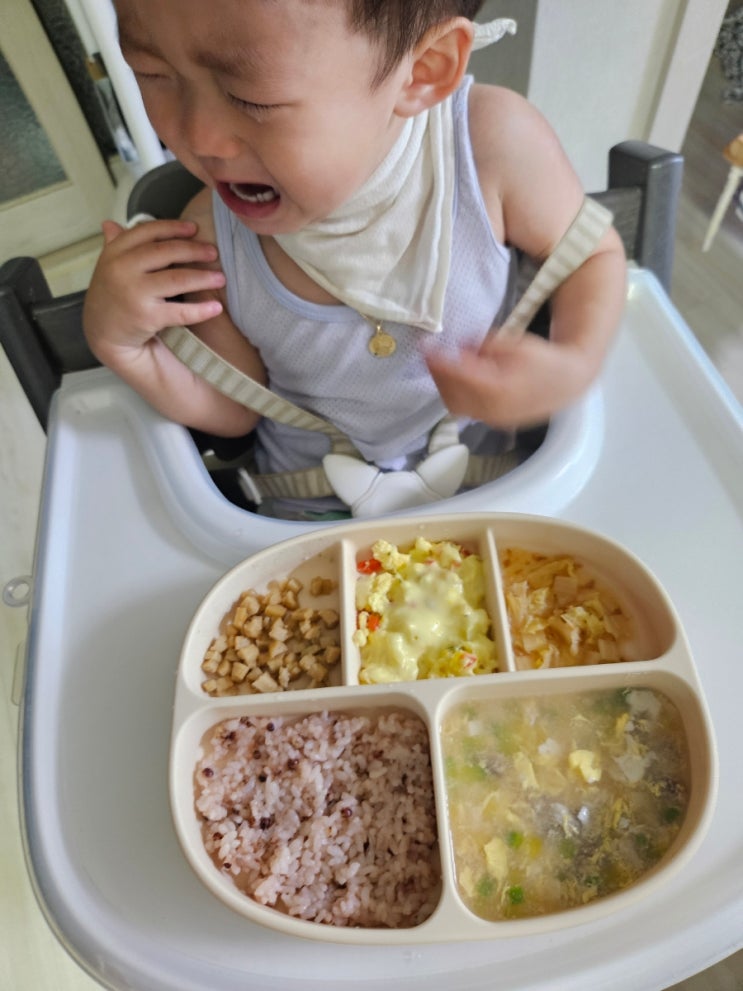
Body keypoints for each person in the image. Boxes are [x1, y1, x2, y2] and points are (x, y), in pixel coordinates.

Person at [83, 0, 627, 518]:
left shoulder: (492, 149)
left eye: (252, 97)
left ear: (422, 71)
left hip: (494, 499)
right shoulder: (207, 238)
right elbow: (235, 408)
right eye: (153, 73)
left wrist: (575, 361)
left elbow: (591, 255)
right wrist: (126, 349)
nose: (200, 137)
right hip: (312, 519)